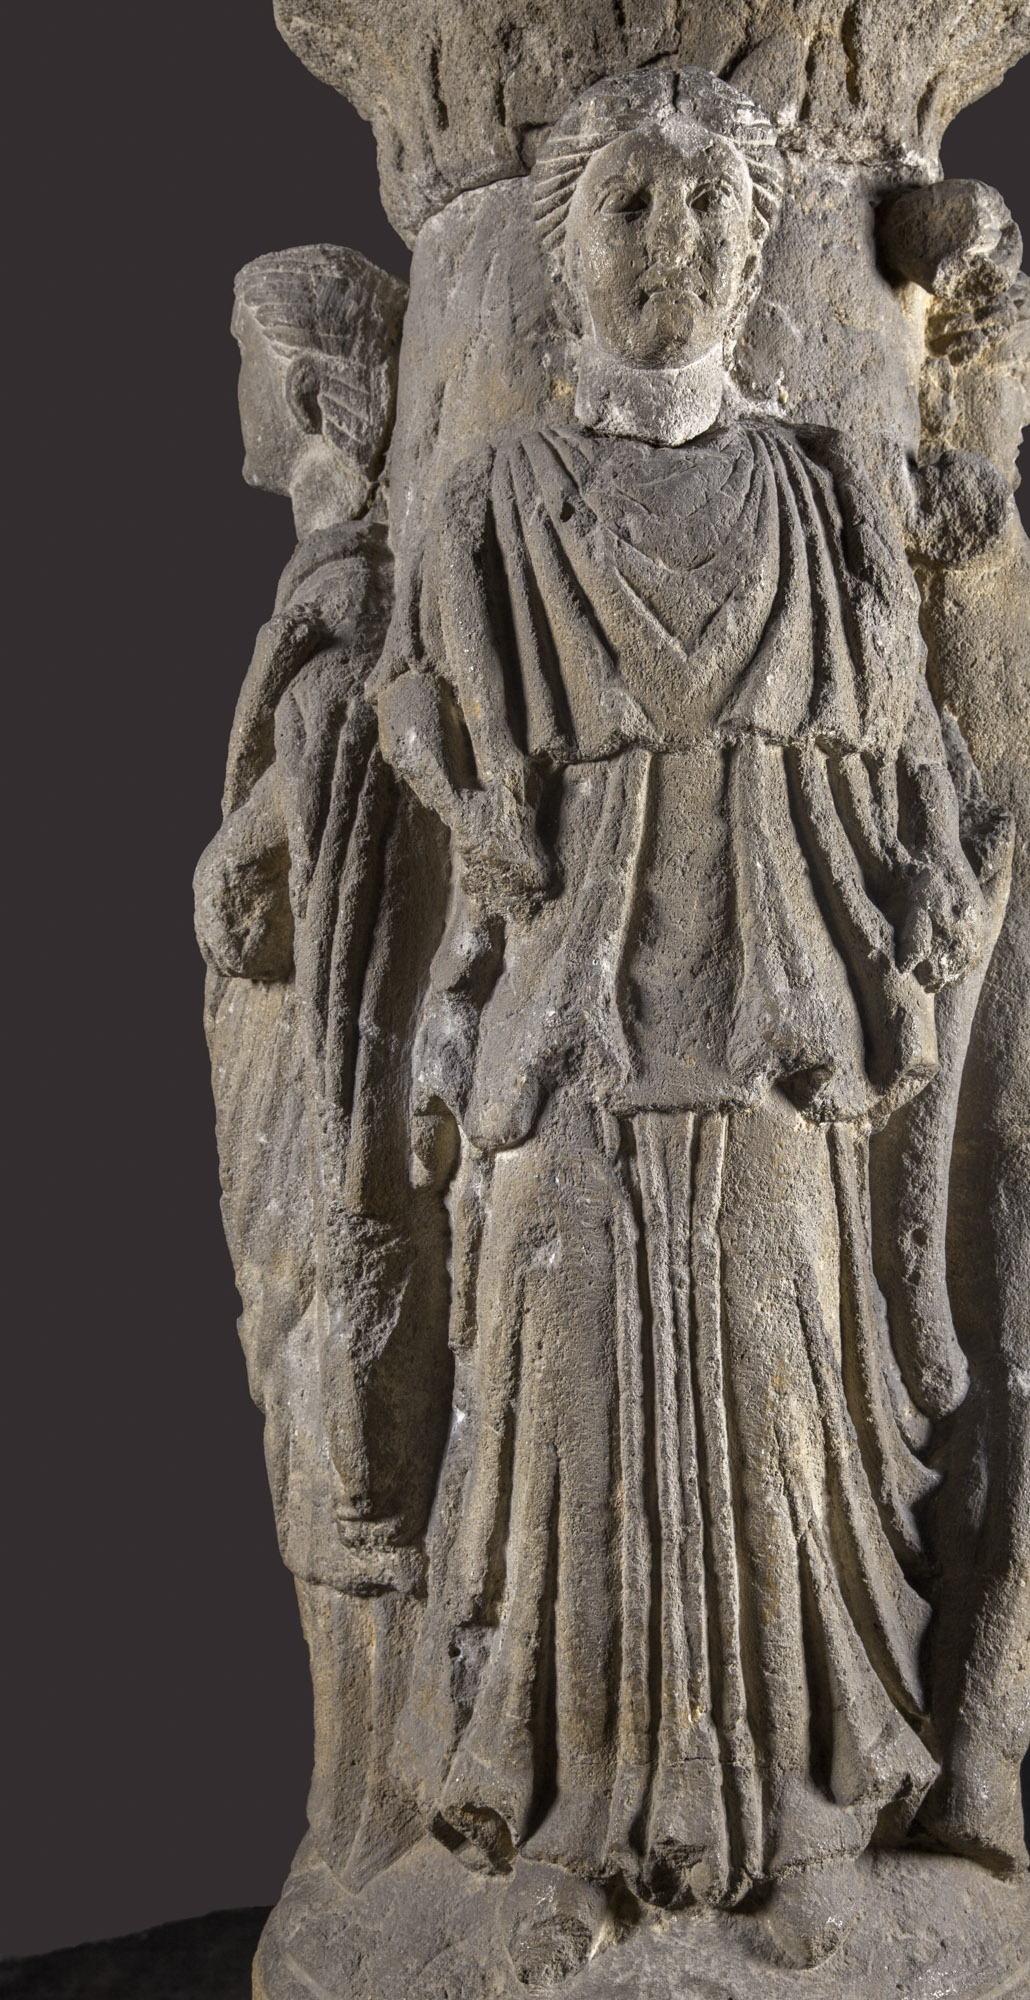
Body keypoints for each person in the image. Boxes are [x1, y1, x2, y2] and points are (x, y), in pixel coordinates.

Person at [371, 69, 1009, 1976]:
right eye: (634, 209)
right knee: (560, 1416)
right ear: (564, 249)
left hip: (776, 1020)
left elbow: (898, 739)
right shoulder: (496, 500)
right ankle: (562, 1830)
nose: (682, 245)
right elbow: (427, 718)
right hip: (569, 1025)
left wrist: (923, 890)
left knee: (774, 1409)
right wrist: (474, 824)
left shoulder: (823, 486)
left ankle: (805, 1828)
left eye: (719, 209)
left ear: (760, 247)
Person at [196, 243, 450, 1889]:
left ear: (305, 391)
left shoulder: (353, 604)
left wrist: (232, 864)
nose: (234, 392)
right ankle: (358, 1800)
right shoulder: (341, 593)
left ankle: (371, 1809)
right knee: (309, 1412)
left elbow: (329, 897)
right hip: (295, 1091)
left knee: (336, 1425)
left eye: (245, 359)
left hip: (324, 1105)